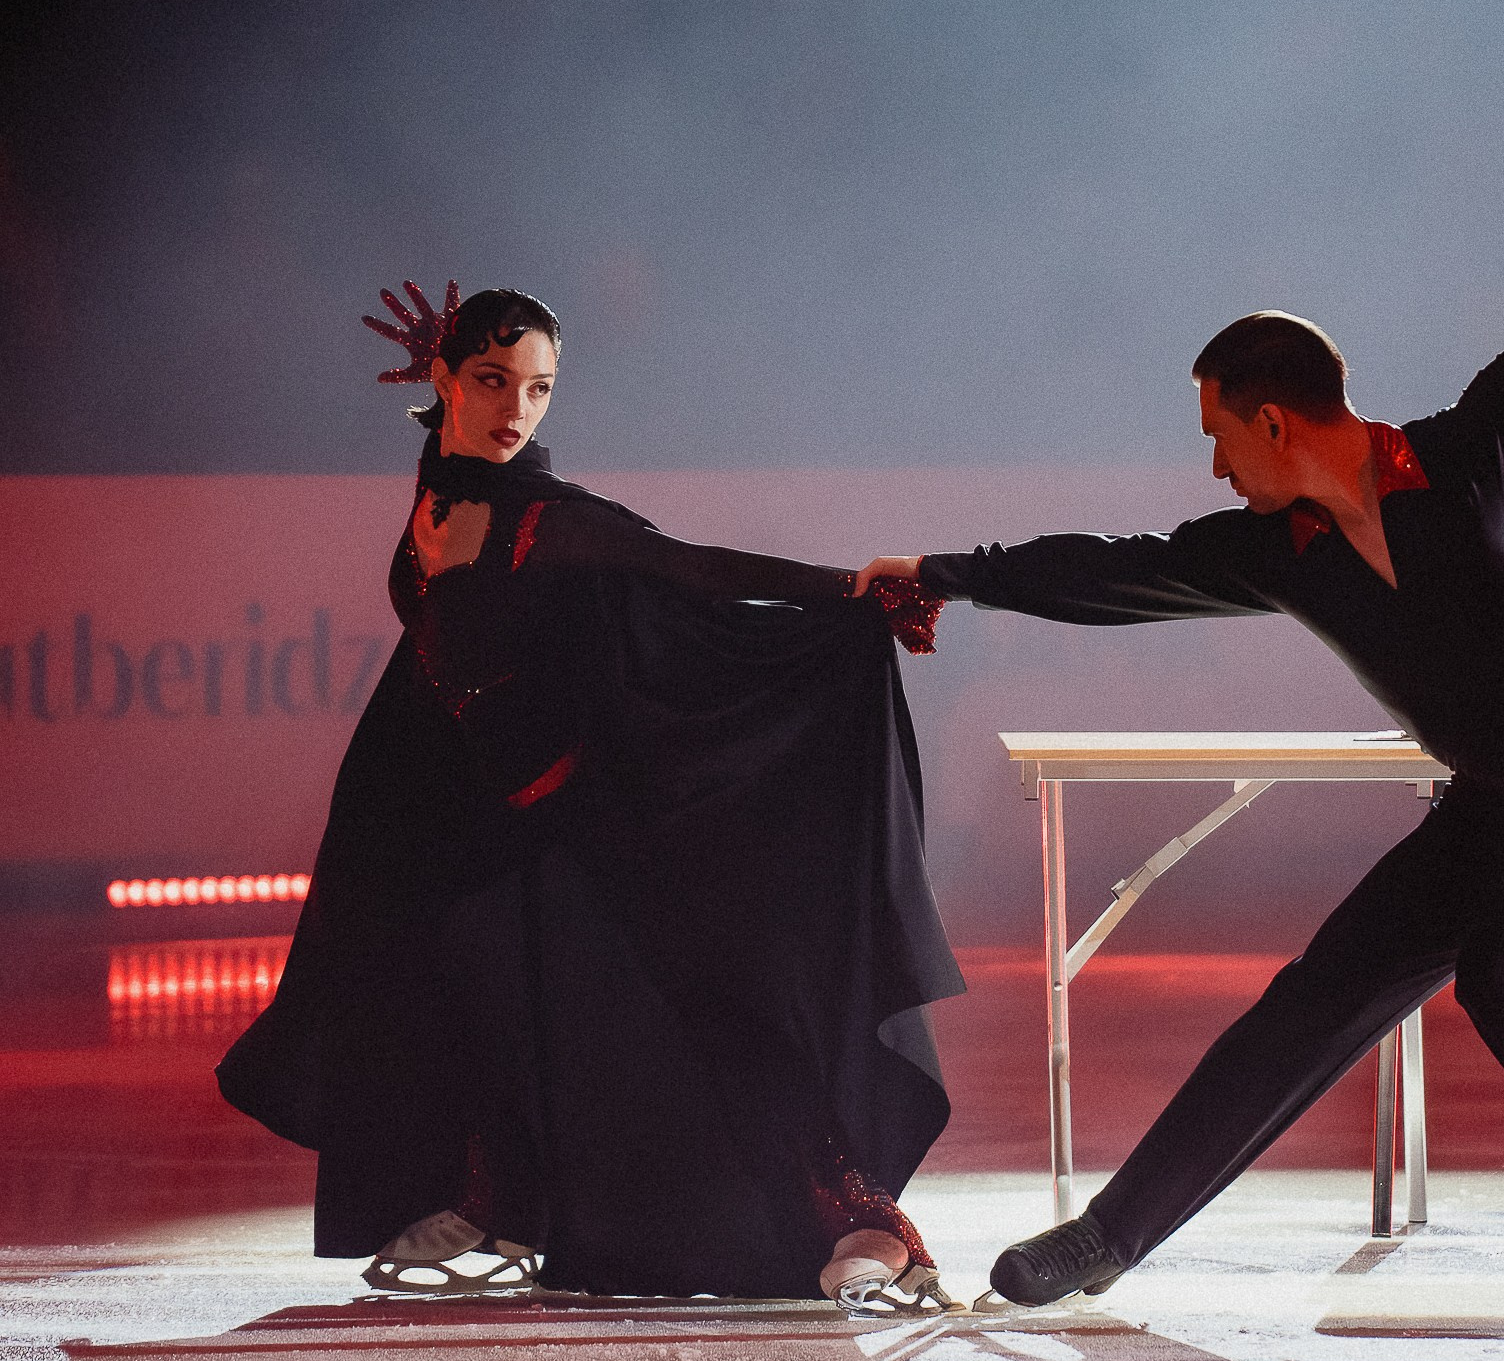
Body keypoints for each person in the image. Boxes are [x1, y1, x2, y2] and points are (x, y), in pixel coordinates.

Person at [854, 59, 1504, 1326]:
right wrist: (945, 573)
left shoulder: (1480, 445)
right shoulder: (1273, 554)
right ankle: (1108, 1239)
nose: (1212, 466)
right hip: (1495, 809)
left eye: (1217, 434)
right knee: (1313, 1000)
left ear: (1274, 419)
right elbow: (1115, 572)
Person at [219, 282, 963, 1307]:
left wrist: (849, 591)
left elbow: (691, 567)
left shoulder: (544, 519)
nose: (515, 409)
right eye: (490, 380)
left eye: (537, 388)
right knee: (460, 985)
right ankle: (503, 1197)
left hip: (592, 810)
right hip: (472, 809)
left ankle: (862, 1214)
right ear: (442, 378)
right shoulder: (442, 482)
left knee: (707, 997)